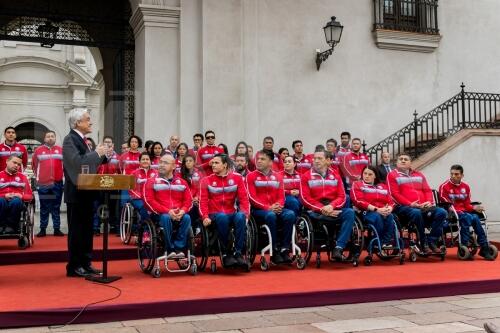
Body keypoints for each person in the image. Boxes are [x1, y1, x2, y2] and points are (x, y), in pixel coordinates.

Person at [63, 109, 109, 277]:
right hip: (76, 192)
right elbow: (76, 163)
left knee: (87, 230)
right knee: (77, 231)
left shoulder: (84, 140)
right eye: (87, 119)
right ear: (77, 123)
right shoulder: (70, 140)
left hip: (87, 191)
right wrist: (97, 153)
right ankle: (74, 266)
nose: (90, 122)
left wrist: (103, 156)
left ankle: (86, 263)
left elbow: (88, 163)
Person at [300, 148, 354, 260]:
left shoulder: (336, 175)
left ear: (328, 160)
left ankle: (339, 248)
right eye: (314, 158)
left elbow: (342, 196)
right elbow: (305, 199)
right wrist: (322, 209)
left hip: (332, 207)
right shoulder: (306, 176)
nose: (316, 161)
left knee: (349, 212)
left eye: (320, 158)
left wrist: (331, 206)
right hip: (315, 211)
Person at [387, 153, 446, 253]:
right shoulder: (392, 175)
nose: (403, 161)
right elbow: (394, 194)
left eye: (406, 159)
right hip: (403, 207)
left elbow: (427, 190)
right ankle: (423, 243)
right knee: (416, 213)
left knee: (442, 212)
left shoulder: (419, 174)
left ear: (410, 163)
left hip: (423, 206)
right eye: (400, 159)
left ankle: (431, 241)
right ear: (397, 163)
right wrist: (410, 204)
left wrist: (429, 202)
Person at [200, 154, 250, 268]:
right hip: (214, 214)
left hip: (231, 212)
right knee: (222, 217)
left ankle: (238, 253)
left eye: (216, 163)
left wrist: (246, 214)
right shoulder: (206, 180)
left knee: (241, 216)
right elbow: (202, 202)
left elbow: (244, 199)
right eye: (212, 163)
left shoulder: (237, 178)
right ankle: (226, 253)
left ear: (225, 165)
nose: (213, 165)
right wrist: (205, 217)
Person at [246, 149, 295, 264]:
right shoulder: (251, 176)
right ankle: (274, 250)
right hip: (259, 210)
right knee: (271, 215)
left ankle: (285, 249)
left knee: (290, 214)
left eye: (262, 159)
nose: (258, 161)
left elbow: (282, 196)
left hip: (276, 208)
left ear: (270, 162)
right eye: (258, 159)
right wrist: (268, 207)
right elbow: (251, 198)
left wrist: (279, 205)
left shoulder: (278, 177)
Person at [438, 164, 495, 260]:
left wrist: (474, 208)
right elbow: (445, 202)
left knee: (476, 217)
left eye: (456, 174)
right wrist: (458, 210)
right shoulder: (444, 186)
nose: (453, 176)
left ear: (462, 175)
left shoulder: (466, 187)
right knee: (467, 217)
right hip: (451, 213)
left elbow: (467, 204)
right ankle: (464, 245)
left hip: (463, 212)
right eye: (452, 174)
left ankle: (484, 248)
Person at [143, 154, 192, 258]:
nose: (161, 165)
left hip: (179, 214)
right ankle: (169, 249)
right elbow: (149, 201)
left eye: (165, 163)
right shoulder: (151, 181)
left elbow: (188, 201)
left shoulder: (182, 182)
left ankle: (179, 248)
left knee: (187, 217)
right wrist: (168, 211)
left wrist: (183, 211)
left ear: (174, 166)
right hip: (159, 215)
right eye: (160, 162)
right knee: (165, 217)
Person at [350, 165, 396, 249]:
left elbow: (391, 201)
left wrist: (389, 208)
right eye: (365, 173)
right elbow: (358, 201)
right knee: (377, 217)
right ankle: (378, 242)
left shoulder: (383, 186)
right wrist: (376, 209)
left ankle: (385, 242)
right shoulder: (357, 184)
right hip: (366, 212)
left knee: (390, 216)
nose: (366, 176)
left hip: (383, 211)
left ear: (375, 176)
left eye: (370, 174)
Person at [32, 130, 64, 237]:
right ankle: (42, 229)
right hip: (44, 184)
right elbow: (34, 166)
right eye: (48, 136)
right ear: (44, 138)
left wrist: (62, 178)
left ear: (55, 138)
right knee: (44, 207)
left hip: (57, 183)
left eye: (52, 136)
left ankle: (56, 228)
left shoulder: (61, 150)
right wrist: (39, 178)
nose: (50, 138)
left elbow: (65, 166)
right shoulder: (38, 150)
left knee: (56, 206)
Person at [94, 136, 121, 235]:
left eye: (109, 142)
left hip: (113, 187)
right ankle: (96, 227)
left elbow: (121, 172)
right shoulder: (98, 156)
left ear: (113, 145)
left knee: (112, 207)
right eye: (105, 142)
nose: (107, 144)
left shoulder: (118, 157)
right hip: (99, 186)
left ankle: (113, 226)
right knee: (98, 206)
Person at [0, 155, 33, 234]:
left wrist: (21, 196)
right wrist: (4, 196)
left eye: (19, 164)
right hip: (2, 199)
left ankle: (11, 227)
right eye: (14, 162)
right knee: (1, 201)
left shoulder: (23, 177)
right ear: (7, 161)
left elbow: (30, 196)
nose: (16, 166)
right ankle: (1, 226)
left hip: (17, 201)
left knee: (16, 202)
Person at [128, 152, 157, 224]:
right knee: (144, 206)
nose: (145, 161)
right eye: (143, 159)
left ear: (150, 161)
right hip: (138, 198)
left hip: (152, 198)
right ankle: (146, 228)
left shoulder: (156, 173)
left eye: (147, 159)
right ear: (139, 161)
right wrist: (142, 197)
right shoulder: (134, 173)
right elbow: (131, 189)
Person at [180, 154, 203, 225]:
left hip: (195, 199)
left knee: (198, 206)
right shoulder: (180, 174)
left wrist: (197, 197)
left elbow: (201, 188)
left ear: (194, 162)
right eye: (186, 161)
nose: (188, 162)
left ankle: (196, 227)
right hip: (184, 199)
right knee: (191, 206)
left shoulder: (199, 174)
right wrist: (189, 199)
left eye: (190, 161)